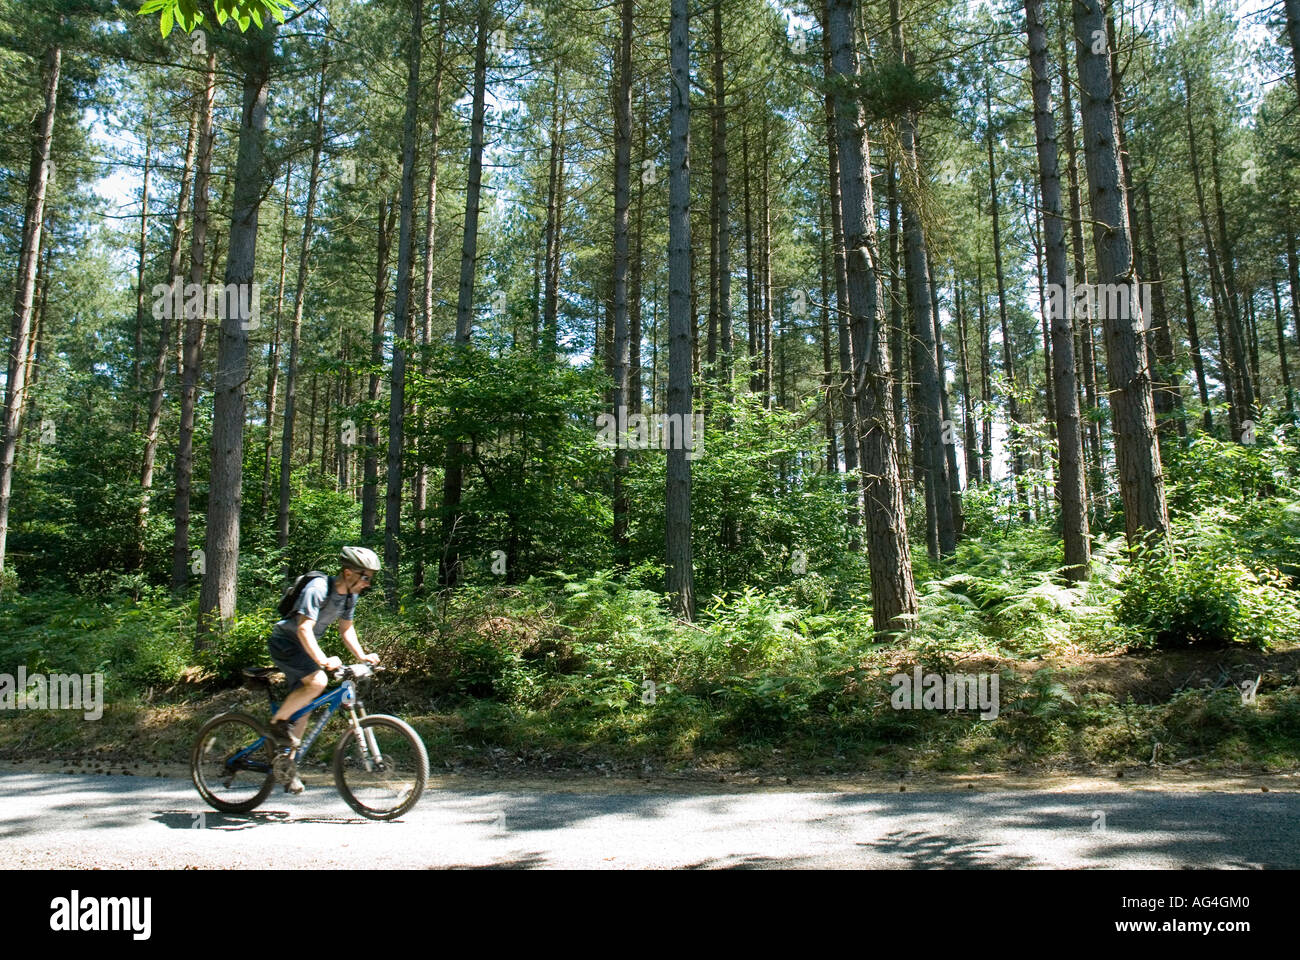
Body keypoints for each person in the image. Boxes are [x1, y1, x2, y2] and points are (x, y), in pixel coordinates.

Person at [266, 546, 382, 793]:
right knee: (318, 682)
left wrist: (362, 656)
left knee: (304, 708)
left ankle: (286, 768)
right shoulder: (317, 588)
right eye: (366, 576)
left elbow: (346, 629)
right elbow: (303, 629)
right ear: (349, 573)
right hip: (285, 643)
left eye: (371, 577)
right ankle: (277, 724)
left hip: (303, 646)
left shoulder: (351, 596)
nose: (368, 583)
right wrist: (322, 660)